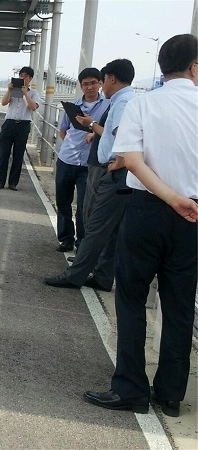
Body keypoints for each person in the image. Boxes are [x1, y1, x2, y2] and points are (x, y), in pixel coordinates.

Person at [84, 34, 198, 417]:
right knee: (180, 306)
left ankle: (131, 388)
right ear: (195, 67)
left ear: (163, 67)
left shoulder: (143, 104)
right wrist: (184, 201)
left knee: (131, 297)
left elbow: (131, 159)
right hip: (193, 216)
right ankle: (170, 395)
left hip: (147, 209)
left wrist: (169, 198)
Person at [44, 59, 135, 292]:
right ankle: (103, 277)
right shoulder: (124, 100)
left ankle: (74, 276)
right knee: (111, 229)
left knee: (94, 224)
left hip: (111, 171)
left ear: (111, 78)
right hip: (102, 167)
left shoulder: (123, 102)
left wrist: (121, 159)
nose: (99, 86)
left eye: (101, 81)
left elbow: (122, 135)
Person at [54, 68, 109, 252]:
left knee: (85, 206)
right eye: (85, 84)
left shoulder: (107, 106)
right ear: (81, 86)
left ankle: (82, 243)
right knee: (63, 201)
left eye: (93, 82)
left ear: (100, 83)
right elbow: (62, 130)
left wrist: (94, 132)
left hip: (89, 164)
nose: (90, 87)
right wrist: (72, 145)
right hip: (66, 159)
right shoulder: (72, 106)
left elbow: (110, 132)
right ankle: (66, 238)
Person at [0, 66, 40, 190]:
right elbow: (3, 103)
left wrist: (25, 93)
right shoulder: (13, 90)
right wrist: (9, 90)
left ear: (30, 78)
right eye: (21, 75)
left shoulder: (34, 93)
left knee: (18, 155)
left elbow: (33, 107)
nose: (22, 78)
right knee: (3, 154)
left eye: (25, 76)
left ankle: (13, 183)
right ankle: (0, 181)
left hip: (23, 125)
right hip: (9, 123)